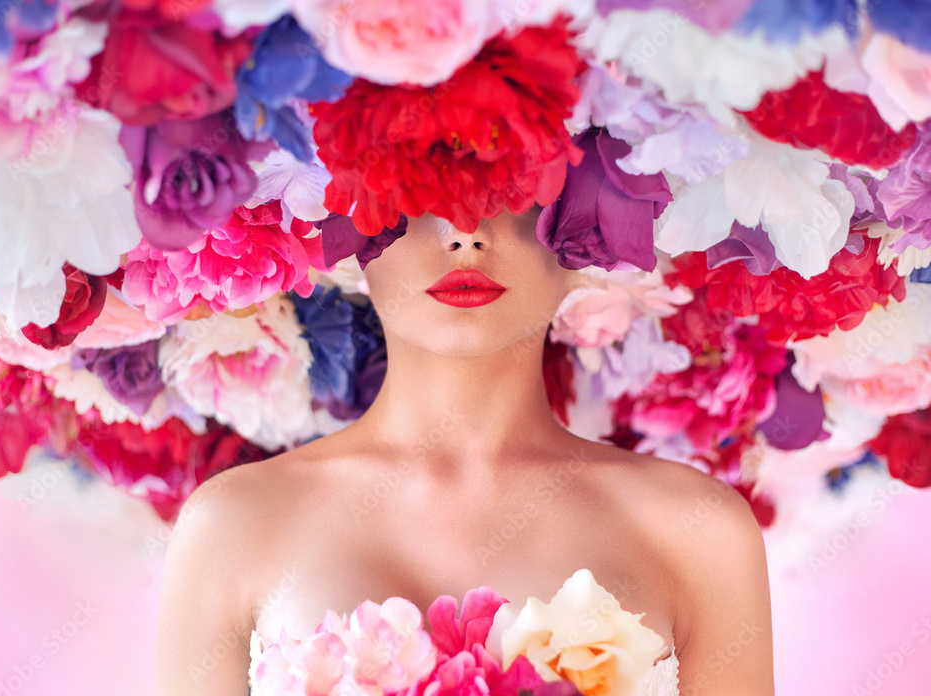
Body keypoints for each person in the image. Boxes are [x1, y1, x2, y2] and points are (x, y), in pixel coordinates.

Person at [155, 206, 776, 696]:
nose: (465, 232)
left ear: (586, 218)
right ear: (339, 219)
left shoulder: (698, 531)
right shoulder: (231, 525)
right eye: (413, 189)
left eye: (514, 185)